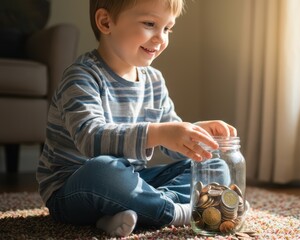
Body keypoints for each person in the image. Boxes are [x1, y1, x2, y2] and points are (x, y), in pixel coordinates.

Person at [36, 0, 237, 237]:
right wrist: (160, 132)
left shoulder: (154, 80)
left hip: (131, 182)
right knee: (103, 169)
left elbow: (170, 139)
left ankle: (138, 211)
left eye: (167, 28)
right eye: (150, 24)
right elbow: (90, 139)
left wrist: (192, 133)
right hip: (75, 188)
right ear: (105, 22)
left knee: (213, 165)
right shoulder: (81, 76)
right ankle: (177, 212)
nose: (161, 38)